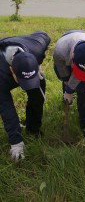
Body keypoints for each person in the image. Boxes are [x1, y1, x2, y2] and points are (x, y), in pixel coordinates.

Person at [0, 31, 51, 161]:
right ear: (12, 70)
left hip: (28, 58)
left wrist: (38, 64)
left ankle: (33, 129)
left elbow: (44, 35)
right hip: (3, 75)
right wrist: (16, 141)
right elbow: (7, 110)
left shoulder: (37, 47)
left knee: (38, 92)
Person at [53, 30, 85, 139]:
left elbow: (78, 76)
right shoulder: (60, 51)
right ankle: (66, 101)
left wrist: (70, 90)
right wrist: (67, 85)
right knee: (66, 79)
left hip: (82, 42)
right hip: (65, 54)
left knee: (82, 90)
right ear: (72, 56)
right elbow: (62, 70)